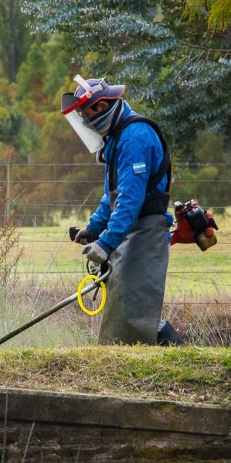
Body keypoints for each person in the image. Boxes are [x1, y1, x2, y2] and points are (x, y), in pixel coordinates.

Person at [61, 75, 177, 345]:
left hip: (145, 232)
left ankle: (172, 355)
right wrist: (95, 226)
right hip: (131, 230)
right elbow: (111, 196)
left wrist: (106, 243)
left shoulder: (135, 136)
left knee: (134, 311)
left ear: (101, 107)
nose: (85, 121)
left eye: (86, 113)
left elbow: (130, 201)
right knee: (125, 309)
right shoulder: (116, 136)